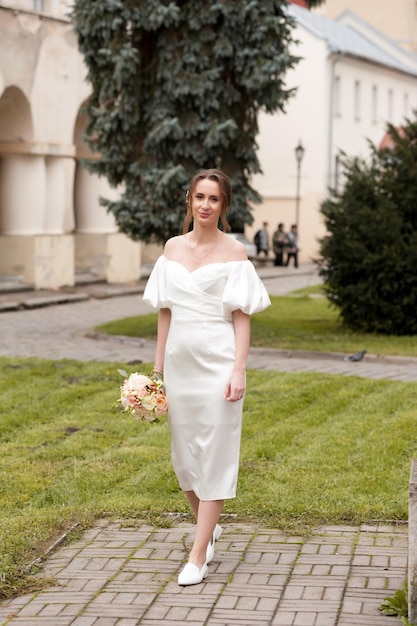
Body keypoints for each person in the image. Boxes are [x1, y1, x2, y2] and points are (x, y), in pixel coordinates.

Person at [143, 169, 270, 587]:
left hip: (218, 364)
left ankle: (198, 554)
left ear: (223, 205)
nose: (205, 205)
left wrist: (239, 368)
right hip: (180, 365)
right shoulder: (171, 249)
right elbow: (165, 312)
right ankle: (207, 526)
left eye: (213, 199)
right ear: (189, 200)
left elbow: (242, 318)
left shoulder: (235, 253)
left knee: (214, 455)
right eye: (199, 197)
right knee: (184, 458)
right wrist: (157, 371)